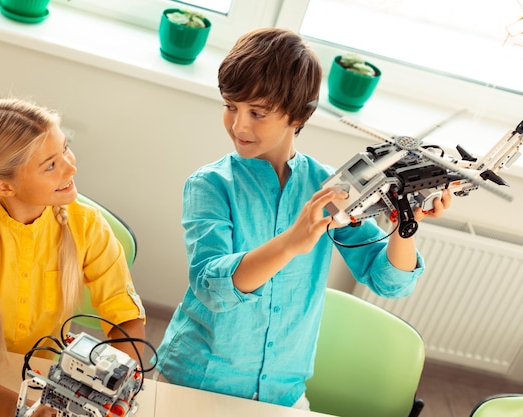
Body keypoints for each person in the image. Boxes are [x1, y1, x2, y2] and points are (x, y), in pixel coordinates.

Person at [154, 28, 451, 410]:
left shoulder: (330, 189)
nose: (239, 125)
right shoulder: (210, 185)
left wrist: (407, 224)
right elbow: (212, 288)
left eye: (257, 113)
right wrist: (291, 242)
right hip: (194, 381)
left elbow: (389, 280)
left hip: (283, 394)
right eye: (230, 106)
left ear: (299, 115)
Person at [0, 98, 146, 417]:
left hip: (44, 372)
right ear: (5, 187)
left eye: (65, 148)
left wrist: (113, 387)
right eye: (50, 165)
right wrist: (21, 410)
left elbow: (125, 316)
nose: (71, 167)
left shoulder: (89, 227)